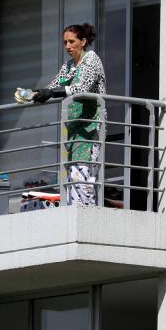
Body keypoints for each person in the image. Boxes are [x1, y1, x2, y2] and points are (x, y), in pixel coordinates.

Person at [28, 23, 107, 206]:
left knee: (83, 173)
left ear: (83, 41)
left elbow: (81, 88)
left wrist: (52, 93)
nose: (68, 46)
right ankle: (74, 210)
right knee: (73, 173)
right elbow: (54, 86)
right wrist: (31, 94)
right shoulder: (69, 65)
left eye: (72, 41)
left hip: (90, 126)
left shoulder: (91, 60)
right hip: (73, 127)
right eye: (65, 42)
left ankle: (86, 213)